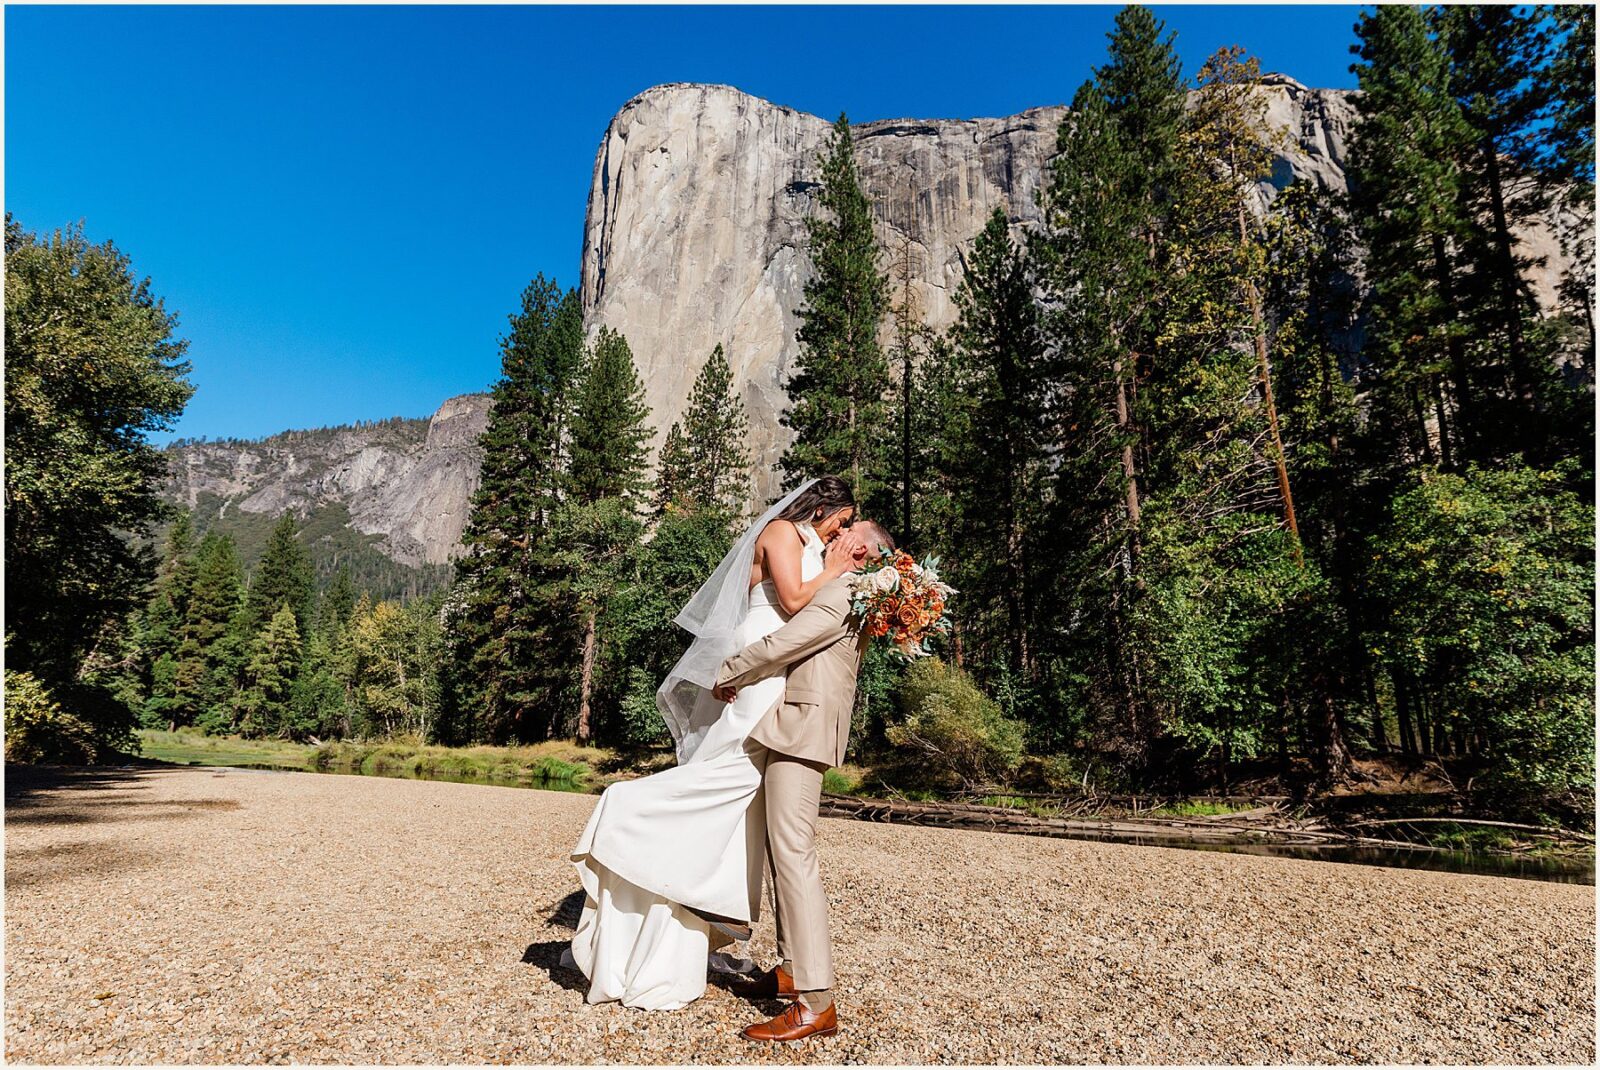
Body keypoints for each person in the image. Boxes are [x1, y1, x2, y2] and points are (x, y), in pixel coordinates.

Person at [564, 476, 862, 1010]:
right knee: (728, 777)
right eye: (842, 520)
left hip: (774, 672)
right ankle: (638, 827)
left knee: (742, 804)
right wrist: (837, 571)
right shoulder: (780, 531)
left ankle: (700, 915)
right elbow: (794, 602)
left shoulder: (810, 547)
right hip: (759, 665)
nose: (842, 532)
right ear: (822, 508)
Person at [712, 519, 897, 1042]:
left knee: (794, 853)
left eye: (843, 533)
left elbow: (791, 641)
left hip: (804, 727)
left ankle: (817, 1002)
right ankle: (792, 970)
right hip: (793, 721)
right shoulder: (857, 591)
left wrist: (729, 670)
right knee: (780, 849)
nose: (829, 537)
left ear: (857, 548)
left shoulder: (849, 591)